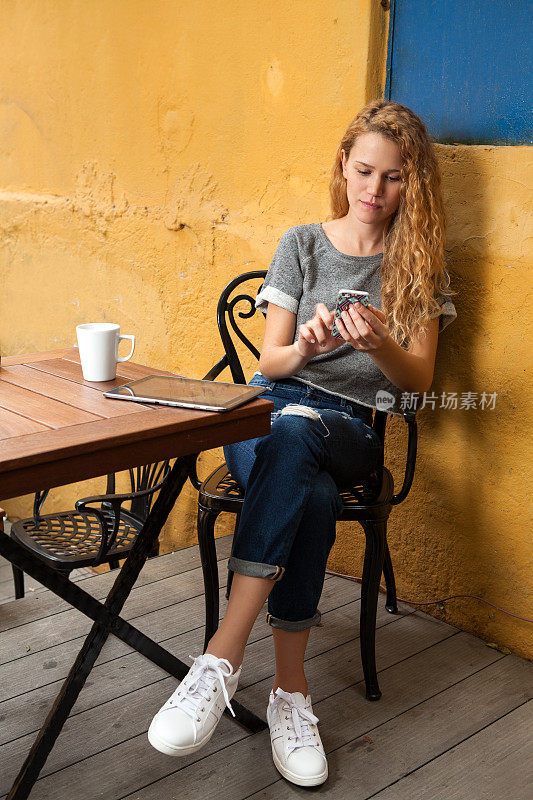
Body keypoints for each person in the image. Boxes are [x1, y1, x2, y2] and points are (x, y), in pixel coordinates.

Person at [147, 99, 457, 787]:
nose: (374, 191)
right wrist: (306, 344)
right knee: (304, 479)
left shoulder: (415, 265)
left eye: (394, 178)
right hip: (269, 410)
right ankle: (292, 695)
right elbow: (270, 365)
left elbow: (417, 387)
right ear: (343, 166)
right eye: (364, 171)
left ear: (414, 184)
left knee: (302, 434)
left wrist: (379, 344)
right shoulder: (301, 243)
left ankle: (222, 655)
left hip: (350, 426)